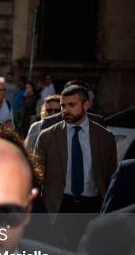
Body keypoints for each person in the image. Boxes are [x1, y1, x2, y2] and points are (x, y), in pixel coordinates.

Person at [34, 85, 117, 214]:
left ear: (86, 105)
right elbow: (37, 176)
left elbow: (111, 176)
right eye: (63, 106)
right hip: (57, 206)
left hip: (92, 206)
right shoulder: (47, 136)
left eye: (72, 105)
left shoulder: (105, 137)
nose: (66, 110)